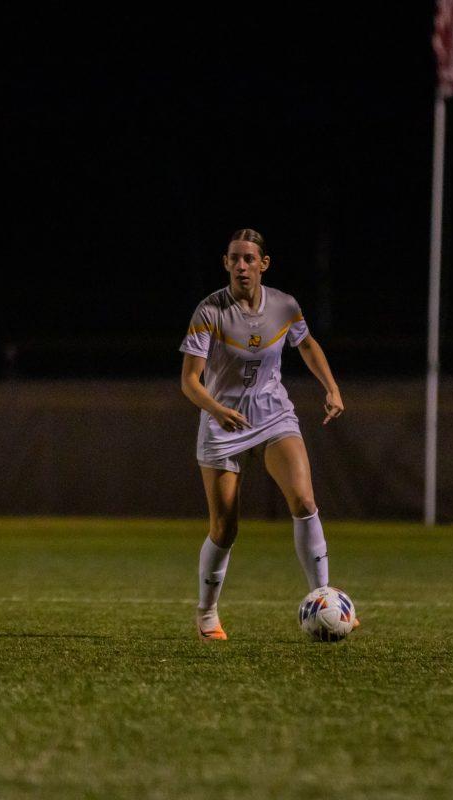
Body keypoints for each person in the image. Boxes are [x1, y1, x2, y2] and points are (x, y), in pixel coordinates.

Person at [178, 228, 352, 640]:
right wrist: (219, 409)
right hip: (223, 424)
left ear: (264, 264)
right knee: (225, 528)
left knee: (305, 499)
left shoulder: (284, 305)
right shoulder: (210, 311)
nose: (241, 265)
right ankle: (206, 615)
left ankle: (323, 596)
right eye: (234, 258)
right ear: (225, 263)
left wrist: (332, 386)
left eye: (249, 259)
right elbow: (190, 381)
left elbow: (306, 344)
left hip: (274, 417)